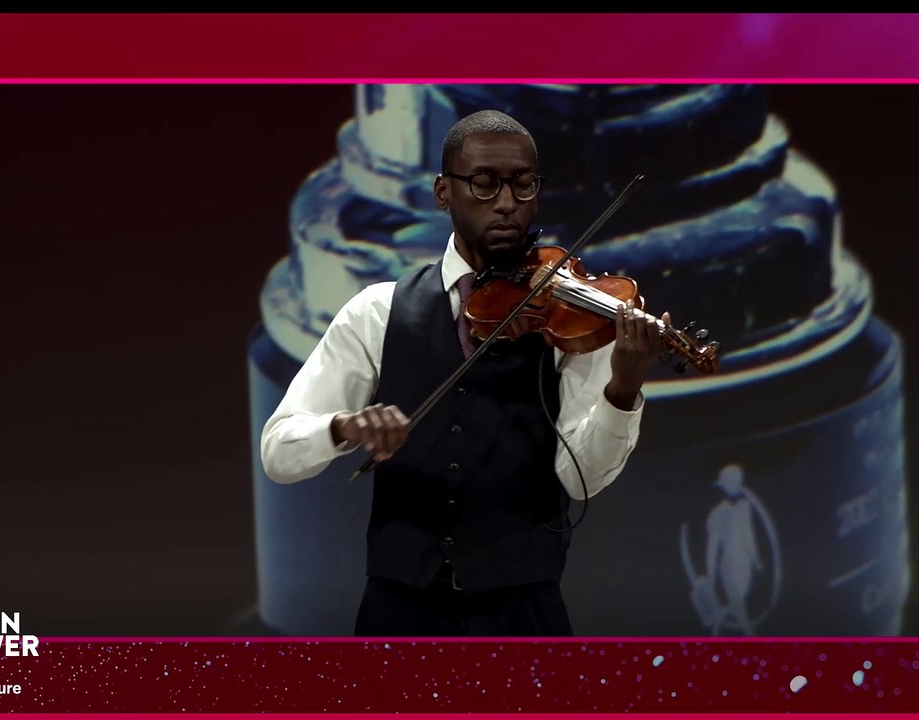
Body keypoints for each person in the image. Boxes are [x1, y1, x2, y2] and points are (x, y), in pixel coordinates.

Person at [260, 109, 669, 637]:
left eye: (523, 184)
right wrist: (343, 426)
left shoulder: (567, 315)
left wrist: (622, 389)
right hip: (399, 610)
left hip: (523, 611)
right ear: (442, 192)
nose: (505, 203)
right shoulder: (377, 312)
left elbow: (581, 479)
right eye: (483, 183)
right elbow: (278, 452)